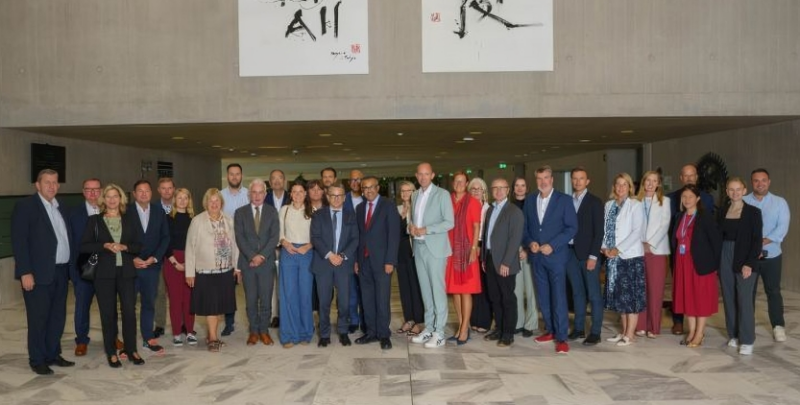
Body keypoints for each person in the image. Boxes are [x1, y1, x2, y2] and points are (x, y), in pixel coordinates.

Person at [11, 169, 76, 375]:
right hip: (37, 274)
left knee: (57, 317)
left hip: (61, 271)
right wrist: (25, 272)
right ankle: (37, 359)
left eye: (55, 182)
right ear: (37, 185)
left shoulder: (62, 206)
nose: (52, 186)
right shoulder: (26, 207)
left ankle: (52, 354)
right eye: (47, 182)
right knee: (38, 318)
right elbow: (19, 242)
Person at [81, 183, 145, 367]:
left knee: (129, 313)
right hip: (103, 274)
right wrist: (104, 246)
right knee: (107, 314)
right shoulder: (94, 221)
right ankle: (111, 352)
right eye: (108, 196)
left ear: (121, 199)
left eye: (115, 196)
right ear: (103, 199)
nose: (111, 199)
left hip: (126, 272)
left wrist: (126, 247)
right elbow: (84, 246)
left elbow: (139, 245)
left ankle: (132, 349)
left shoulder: (130, 219)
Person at [523, 165, 578, 354]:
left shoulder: (564, 200)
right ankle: (550, 330)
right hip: (537, 257)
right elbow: (526, 229)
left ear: (552, 179)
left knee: (559, 297)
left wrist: (552, 245)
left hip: (556, 257)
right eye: (539, 178)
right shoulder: (530, 201)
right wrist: (530, 243)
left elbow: (571, 228)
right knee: (543, 297)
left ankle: (562, 337)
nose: (543, 182)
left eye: (546, 178)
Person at [185, 188, 241, 352]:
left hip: (225, 271)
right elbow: (190, 247)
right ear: (206, 203)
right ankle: (213, 339)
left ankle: (211, 335)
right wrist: (189, 272)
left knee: (219, 307)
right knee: (211, 307)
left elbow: (235, 245)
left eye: (217, 201)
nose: (214, 204)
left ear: (221, 203)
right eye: (211, 201)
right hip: (205, 272)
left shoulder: (229, 220)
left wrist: (237, 268)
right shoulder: (197, 221)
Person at [408, 163, 455, 349]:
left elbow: (449, 222)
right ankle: (428, 328)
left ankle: (439, 332)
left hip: (435, 248)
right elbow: (413, 220)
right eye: (420, 174)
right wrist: (410, 228)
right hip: (418, 247)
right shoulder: (414, 195)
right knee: (425, 291)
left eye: (426, 174)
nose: (423, 177)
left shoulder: (442, 195)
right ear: (416, 175)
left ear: (433, 175)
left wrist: (426, 230)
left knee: (437, 291)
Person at [670, 184, 722, 348]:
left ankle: (700, 333)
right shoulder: (679, 217)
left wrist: (714, 265)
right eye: (684, 197)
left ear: (698, 199)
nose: (687, 200)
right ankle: (691, 331)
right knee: (687, 297)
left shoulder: (705, 217)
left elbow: (716, 242)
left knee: (700, 299)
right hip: (682, 264)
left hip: (700, 264)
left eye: (690, 197)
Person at [743, 168, 790, 342]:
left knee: (773, 291)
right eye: (756, 180)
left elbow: (782, 228)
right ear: (751, 182)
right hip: (749, 257)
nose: (760, 183)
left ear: (769, 182)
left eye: (763, 180)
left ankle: (778, 326)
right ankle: (747, 327)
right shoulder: (743, 201)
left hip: (772, 255)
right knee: (748, 293)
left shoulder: (780, 202)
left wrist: (763, 241)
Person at [667, 163, 715, 335]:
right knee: (682, 292)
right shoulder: (672, 202)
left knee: (698, 294)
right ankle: (681, 324)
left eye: (692, 175)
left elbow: (712, 236)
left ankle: (698, 333)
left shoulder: (707, 204)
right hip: (680, 258)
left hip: (698, 257)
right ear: (681, 178)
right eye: (685, 175)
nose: (689, 178)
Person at [310, 180, 359, 348]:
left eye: (339, 196)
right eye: (333, 195)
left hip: (343, 265)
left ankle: (343, 332)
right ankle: (324, 334)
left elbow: (355, 239)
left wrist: (342, 256)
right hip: (323, 264)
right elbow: (315, 237)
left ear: (344, 197)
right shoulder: (318, 215)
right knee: (323, 302)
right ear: (328, 196)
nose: (336, 199)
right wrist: (330, 255)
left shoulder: (351, 216)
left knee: (344, 301)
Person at [355, 176, 400, 350]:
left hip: (382, 262)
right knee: (367, 299)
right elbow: (359, 236)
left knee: (382, 299)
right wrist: (357, 261)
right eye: (365, 188)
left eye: (371, 187)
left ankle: (383, 334)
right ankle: (371, 332)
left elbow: (394, 235)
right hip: (363, 262)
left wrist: (390, 260)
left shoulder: (388, 206)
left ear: (377, 188)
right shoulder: (360, 208)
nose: (368, 190)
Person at [718, 177, 762, 355]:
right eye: (731, 189)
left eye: (738, 189)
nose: (734, 192)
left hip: (744, 256)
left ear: (744, 190)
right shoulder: (721, 211)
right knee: (728, 296)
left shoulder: (753, 212)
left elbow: (757, 240)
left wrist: (749, 263)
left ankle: (747, 339)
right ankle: (734, 335)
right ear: (727, 192)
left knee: (744, 298)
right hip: (725, 254)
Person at [601, 173, 646, 347]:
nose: (620, 188)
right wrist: (604, 247)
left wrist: (618, 249)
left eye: (624, 185)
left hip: (630, 256)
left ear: (629, 187)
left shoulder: (635, 205)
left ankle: (630, 334)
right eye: (617, 184)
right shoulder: (609, 205)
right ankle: (623, 331)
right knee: (620, 297)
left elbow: (636, 232)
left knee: (631, 297)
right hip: (613, 257)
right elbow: (606, 228)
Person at [234, 179, 280, 347]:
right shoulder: (240, 213)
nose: (257, 195)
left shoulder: (272, 212)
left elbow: (274, 237)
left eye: (261, 192)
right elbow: (240, 238)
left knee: (266, 300)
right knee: (251, 299)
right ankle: (253, 331)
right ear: (249, 194)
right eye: (254, 192)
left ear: (265, 194)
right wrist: (252, 256)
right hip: (248, 264)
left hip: (266, 264)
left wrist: (261, 256)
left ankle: (264, 331)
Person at [126, 179, 170, 354]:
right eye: (140, 191)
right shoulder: (126, 212)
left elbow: (165, 237)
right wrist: (132, 258)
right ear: (134, 194)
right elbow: (120, 238)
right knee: (128, 306)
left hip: (152, 267)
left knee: (148, 303)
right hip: (131, 266)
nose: (144, 194)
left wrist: (155, 258)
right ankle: (128, 342)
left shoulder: (159, 211)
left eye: (147, 191)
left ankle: (148, 337)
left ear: (152, 193)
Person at [482, 178, 525, 347]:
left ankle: (508, 333)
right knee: (495, 297)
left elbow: (515, 240)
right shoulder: (490, 210)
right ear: (492, 191)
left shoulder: (514, 211)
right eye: (495, 188)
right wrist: (484, 258)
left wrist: (506, 262)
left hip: (505, 262)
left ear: (508, 190)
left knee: (507, 298)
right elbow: (487, 236)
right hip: (491, 259)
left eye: (502, 188)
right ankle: (499, 328)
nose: (499, 191)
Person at [564, 168, 604, 346]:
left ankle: (595, 332)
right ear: (571, 180)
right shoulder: (567, 201)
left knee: (594, 295)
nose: (578, 182)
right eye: (575, 179)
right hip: (570, 253)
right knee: (577, 293)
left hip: (589, 255)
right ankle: (579, 329)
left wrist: (593, 256)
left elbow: (599, 232)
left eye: (581, 179)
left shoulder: (595, 202)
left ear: (587, 181)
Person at [445, 171, 482, 345]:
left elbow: (476, 227)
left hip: (467, 251)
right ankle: (461, 326)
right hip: (450, 251)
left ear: (466, 184)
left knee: (466, 290)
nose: (459, 184)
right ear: (453, 184)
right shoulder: (447, 200)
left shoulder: (473, 202)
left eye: (462, 181)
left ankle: (465, 329)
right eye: (456, 181)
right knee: (455, 291)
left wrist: (474, 248)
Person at [277, 182, 315, 348]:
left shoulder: (313, 211)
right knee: (288, 295)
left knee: (305, 295)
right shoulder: (284, 210)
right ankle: (288, 335)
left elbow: (319, 234)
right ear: (290, 194)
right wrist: (285, 242)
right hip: (289, 253)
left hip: (307, 253)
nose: (298, 194)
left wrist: (309, 245)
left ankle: (305, 333)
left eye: (301, 192)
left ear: (305, 194)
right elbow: (279, 232)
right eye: (295, 192)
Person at [634, 171, 672, 338]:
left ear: (658, 184)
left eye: (654, 181)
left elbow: (664, 225)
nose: (650, 183)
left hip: (656, 251)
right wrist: (639, 243)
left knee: (655, 290)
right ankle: (640, 325)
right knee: (640, 289)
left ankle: (653, 327)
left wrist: (650, 243)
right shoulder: (635, 201)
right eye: (647, 180)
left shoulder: (665, 201)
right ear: (643, 183)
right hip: (637, 249)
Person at [69, 178, 102, 356]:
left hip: (106, 270)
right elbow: (70, 243)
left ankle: (112, 337)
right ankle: (81, 340)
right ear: (83, 192)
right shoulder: (73, 214)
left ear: (101, 191)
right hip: (82, 269)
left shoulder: (110, 211)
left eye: (96, 189)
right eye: (88, 189)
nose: (92, 193)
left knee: (108, 306)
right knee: (82, 306)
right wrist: (73, 272)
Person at [164, 188, 197, 346]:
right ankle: (177, 333)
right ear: (174, 200)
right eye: (179, 197)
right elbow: (165, 242)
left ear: (189, 200)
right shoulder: (168, 219)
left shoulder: (195, 219)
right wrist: (175, 262)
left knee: (189, 299)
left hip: (191, 260)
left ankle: (190, 332)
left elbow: (198, 243)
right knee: (175, 299)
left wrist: (190, 263)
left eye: (186, 197)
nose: (183, 200)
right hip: (172, 261)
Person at [220, 163, 250, 336]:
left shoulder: (248, 194)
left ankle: (253, 322)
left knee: (250, 288)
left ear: (241, 175)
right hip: (226, 248)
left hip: (246, 247)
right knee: (228, 288)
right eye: (231, 174)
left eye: (237, 174)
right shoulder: (220, 195)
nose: (234, 177)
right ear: (227, 176)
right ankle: (229, 323)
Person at [395, 181, 425, 336]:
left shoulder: (419, 209)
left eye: (409, 190)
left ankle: (419, 321)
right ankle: (409, 319)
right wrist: (401, 215)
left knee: (416, 287)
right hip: (401, 253)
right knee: (404, 287)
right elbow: (394, 233)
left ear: (415, 192)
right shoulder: (397, 209)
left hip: (415, 252)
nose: (405, 194)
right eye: (402, 191)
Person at [510, 177, 537, 338]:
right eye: (517, 185)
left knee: (531, 289)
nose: (520, 188)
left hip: (530, 250)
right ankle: (518, 322)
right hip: (513, 250)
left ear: (527, 188)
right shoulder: (509, 206)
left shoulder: (533, 205)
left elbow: (535, 230)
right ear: (513, 189)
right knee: (516, 289)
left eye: (523, 185)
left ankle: (530, 323)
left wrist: (527, 249)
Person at [468, 177, 493, 334]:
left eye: (479, 189)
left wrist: (478, 247)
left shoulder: (489, 209)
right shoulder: (466, 207)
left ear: (484, 192)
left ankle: (484, 320)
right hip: (469, 249)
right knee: (472, 286)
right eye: (473, 189)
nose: (476, 192)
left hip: (483, 249)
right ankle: (473, 320)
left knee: (484, 286)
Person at [266, 169, 290, 329]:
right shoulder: (264, 198)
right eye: (273, 178)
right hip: (269, 247)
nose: (276, 181)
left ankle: (286, 314)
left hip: (288, 247)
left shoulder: (292, 197)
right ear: (269, 182)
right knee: (273, 283)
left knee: (287, 281)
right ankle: (275, 315)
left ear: (284, 180)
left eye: (279, 178)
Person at [153, 177, 175, 339]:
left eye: (169, 188)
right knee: (159, 292)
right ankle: (159, 324)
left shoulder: (182, 205)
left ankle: (180, 324)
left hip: (177, 256)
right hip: (160, 257)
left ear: (174, 189)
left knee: (177, 292)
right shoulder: (153, 209)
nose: (167, 191)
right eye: (163, 188)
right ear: (158, 190)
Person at [345, 169, 366, 333]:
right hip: (348, 251)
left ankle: (366, 319)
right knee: (350, 289)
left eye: (358, 180)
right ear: (348, 182)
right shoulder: (342, 199)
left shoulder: (369, 199)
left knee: (365, 287)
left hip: (366, 250)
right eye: (352, 180)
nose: (355, 182)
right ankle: (353, 319)